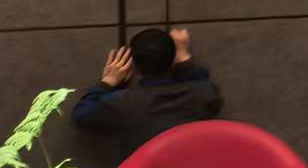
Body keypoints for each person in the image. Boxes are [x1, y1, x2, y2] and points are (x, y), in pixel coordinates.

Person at [73, 26, 222, 153]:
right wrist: (184, 56)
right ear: (173, 59)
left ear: (134, 65)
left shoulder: (123, 103)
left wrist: (108, 82)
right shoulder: (199, 95)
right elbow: (205, 84)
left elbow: (82, 115)